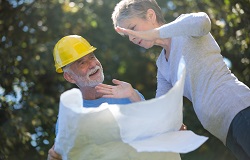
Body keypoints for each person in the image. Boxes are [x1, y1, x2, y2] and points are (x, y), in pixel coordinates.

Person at [108, 0, 250, 159]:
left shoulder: (184, 28)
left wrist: (155, 33)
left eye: (132, 29)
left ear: (150, 15)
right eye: (127, 35)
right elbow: (161, 112)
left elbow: (203, 22)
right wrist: (132, 95)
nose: (132, 38)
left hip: (240, 110)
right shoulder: (162, 65)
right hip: (226, 134)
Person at [47, 35, 181, 160]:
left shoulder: (127, 94)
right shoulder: (70, 118)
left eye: (92, 57)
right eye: (82, 63)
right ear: (69, 77)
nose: (93, 65)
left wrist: (134, 96)